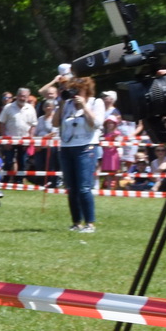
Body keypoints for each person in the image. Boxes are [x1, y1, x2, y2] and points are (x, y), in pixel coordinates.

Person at [54, 73, 106, 233]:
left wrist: (84, 106)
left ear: (87, 90)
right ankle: (76, 222)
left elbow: (96, 123)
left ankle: (90, 224)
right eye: (73, 90)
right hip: (67, 148)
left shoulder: (96, 102)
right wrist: (61, 104)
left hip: (86, 148)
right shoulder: (67, 104)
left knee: (84, 187)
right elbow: (55, 123)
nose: (74, 93)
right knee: (72, 188)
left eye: (78, 90)